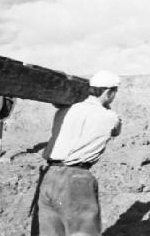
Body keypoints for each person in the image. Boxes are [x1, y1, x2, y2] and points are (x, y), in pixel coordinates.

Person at [31, 70, 122, 236]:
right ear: (109, 92)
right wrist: (106, 106)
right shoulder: (110, 117)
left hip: (49, 176)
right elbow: (115, 130)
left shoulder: (62, 112)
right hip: (76, 178)